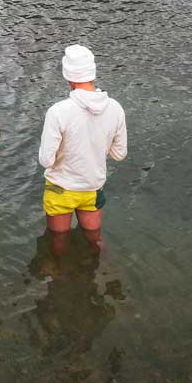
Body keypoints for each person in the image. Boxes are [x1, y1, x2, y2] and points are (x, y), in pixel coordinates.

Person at [38, 44, 127, 252]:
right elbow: (119, 154)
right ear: (92, 72)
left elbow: (46, 161)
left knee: (58, 241)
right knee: (95, 239)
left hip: (60, 189)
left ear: (67, 74)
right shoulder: (115, 108)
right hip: (92, 188)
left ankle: (61, 276)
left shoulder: (58, 112)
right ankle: (107, 268)